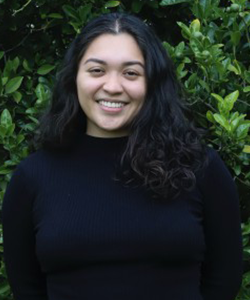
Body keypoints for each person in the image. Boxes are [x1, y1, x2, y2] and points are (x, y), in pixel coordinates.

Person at [2, 12, 242, 300]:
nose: (113, 86)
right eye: (96, 70)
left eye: (131, 73)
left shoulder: (201, 168)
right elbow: (27, 289)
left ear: (152, 83)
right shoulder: (32, 178)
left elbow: (224, 280)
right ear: (74, 78)